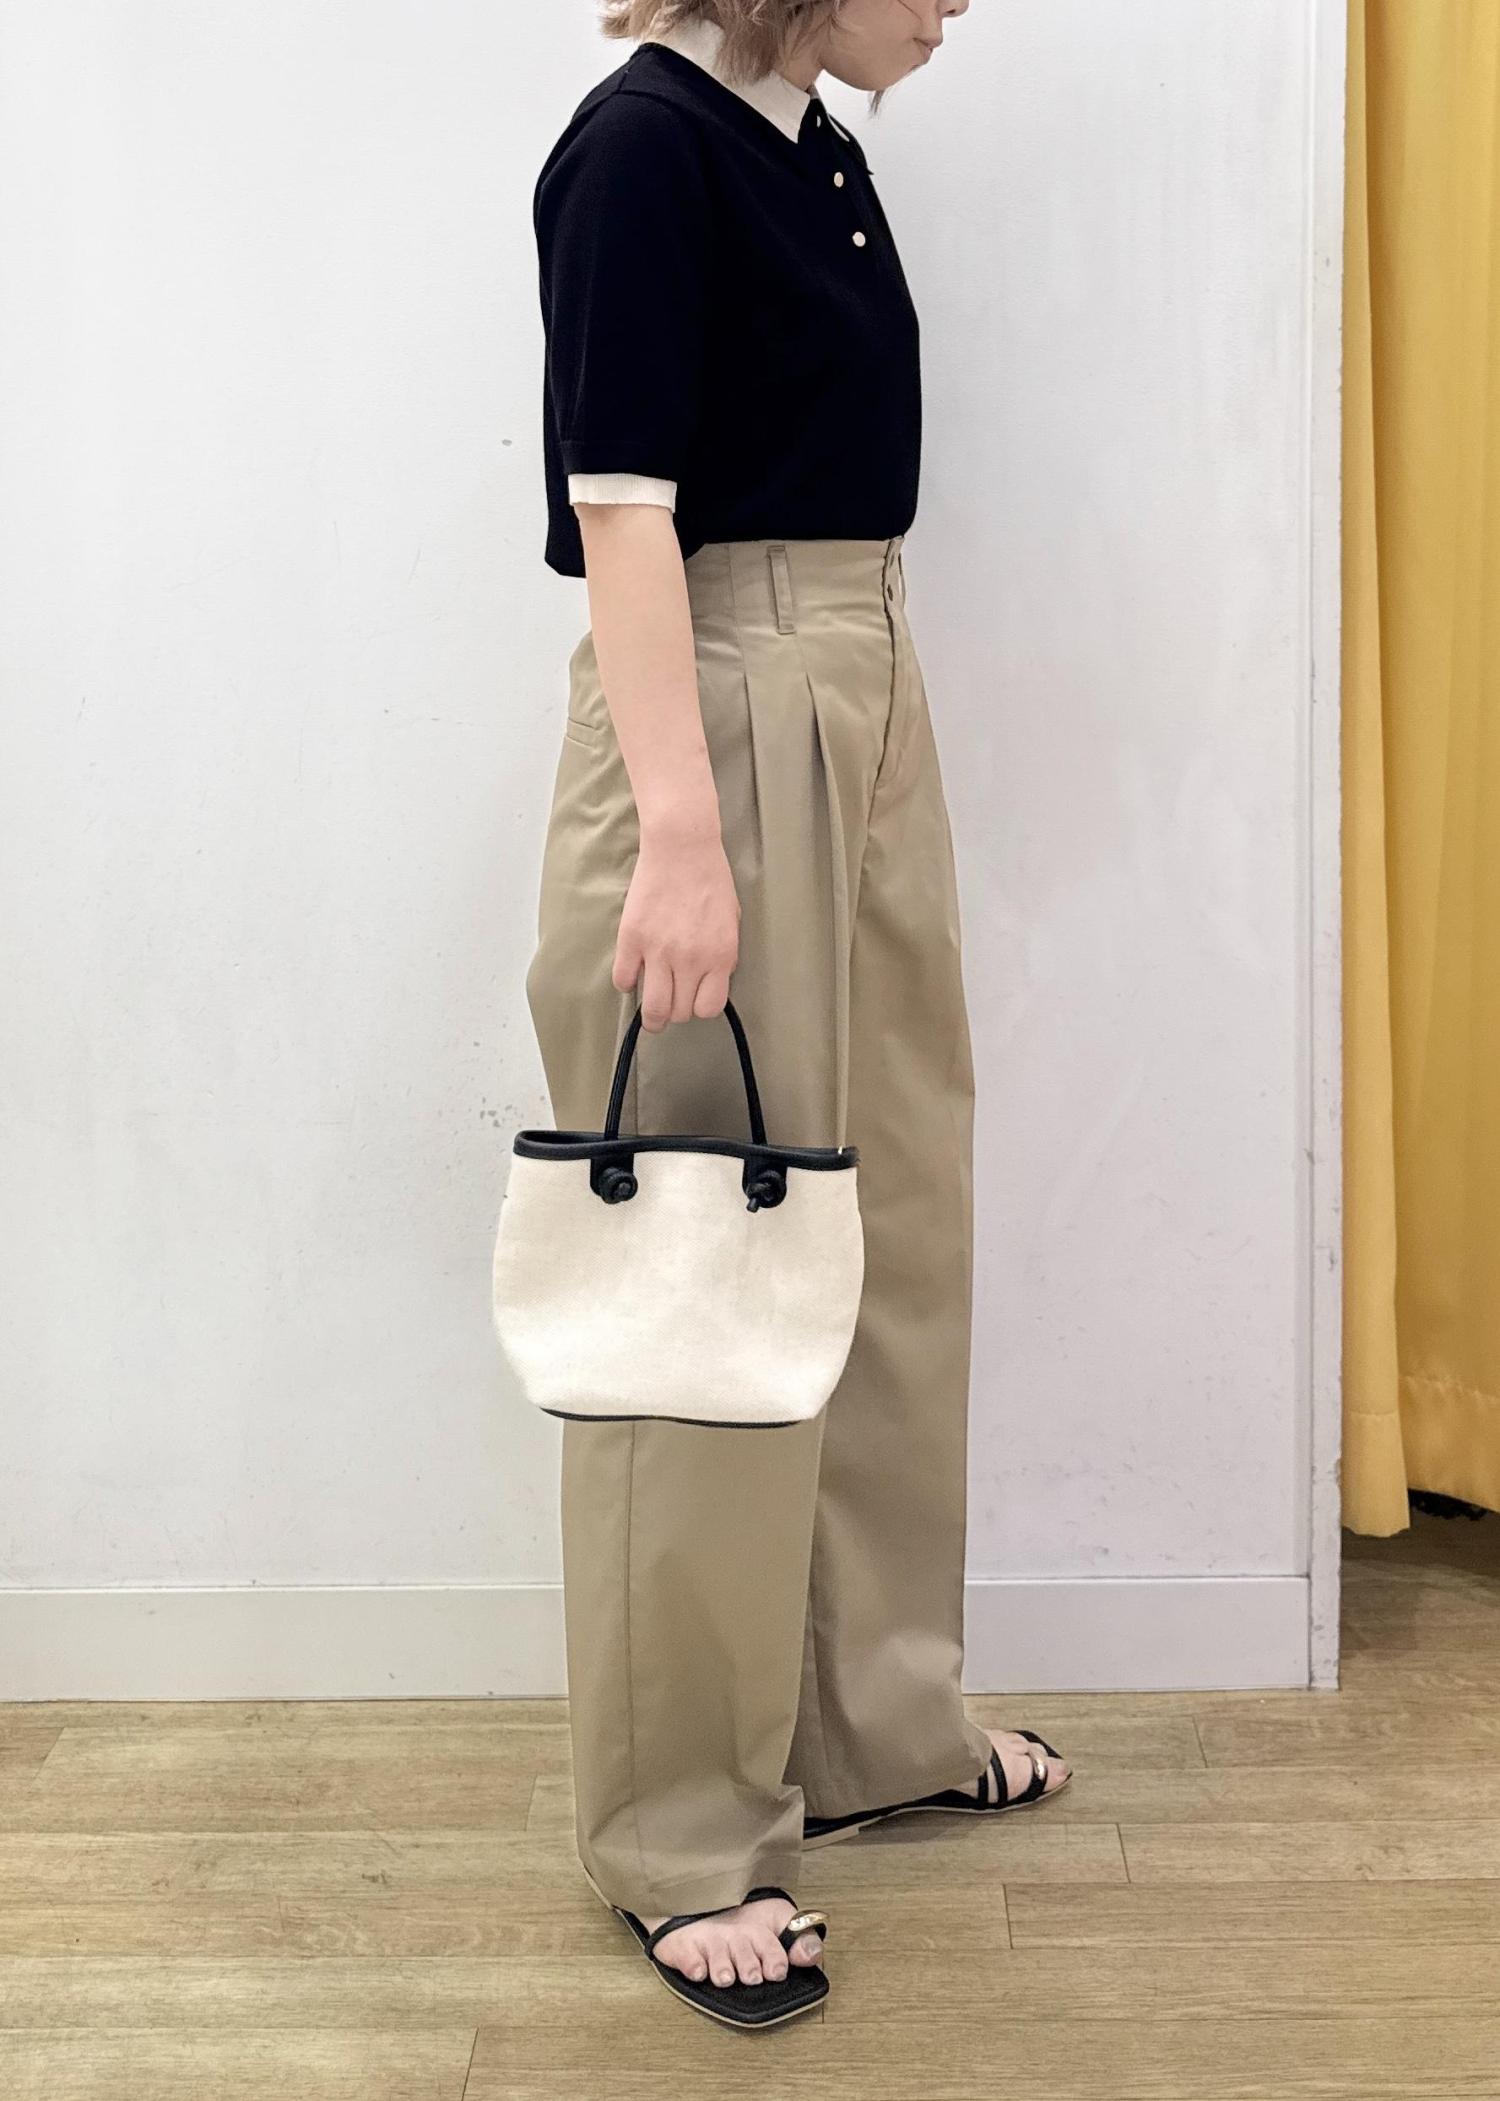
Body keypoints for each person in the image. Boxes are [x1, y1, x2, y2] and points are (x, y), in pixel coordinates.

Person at [523, 0, 1072, 2029]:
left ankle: (870, 1718)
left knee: (888, 1218)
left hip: (860, 677)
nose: (961, 1)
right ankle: (681, 1832)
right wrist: (680, 833)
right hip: (723, 712)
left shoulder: (808, 141)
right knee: (703, 1266)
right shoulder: (642, 149)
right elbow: (624, 512)